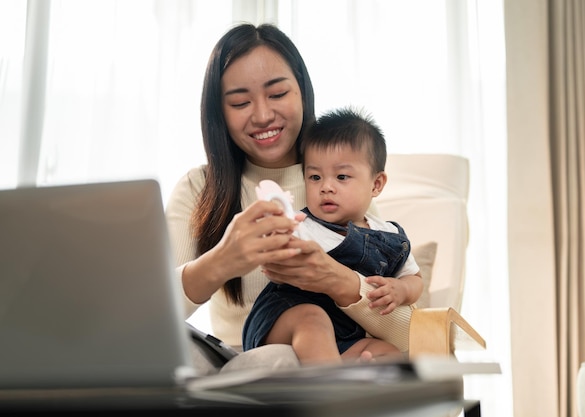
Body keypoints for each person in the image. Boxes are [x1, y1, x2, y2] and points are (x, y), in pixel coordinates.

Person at [165, 22, 419, 372]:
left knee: (389, 363)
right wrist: (223, 259)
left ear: (302, 91)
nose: (263, 114)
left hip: (330, 357)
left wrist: (337, 280)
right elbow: (147, 320)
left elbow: (412, 335)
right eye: (240, 102)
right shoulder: (199, 189)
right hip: (237, 365)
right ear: (219, 112)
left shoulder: (336, 183)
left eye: (278, 94)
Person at [242, 107, 423, 364]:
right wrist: (276, 231)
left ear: (376, 184)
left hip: (346, 335)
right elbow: (279, 245)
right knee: (313, 319)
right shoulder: (303, 224)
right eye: (315, 177)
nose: (326, 187)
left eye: (341, 176)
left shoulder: (391, 236)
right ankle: (331, 393)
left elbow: (415, 278)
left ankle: (349, 377)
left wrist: (402, 290)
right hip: (285, 319)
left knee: (388, 354)